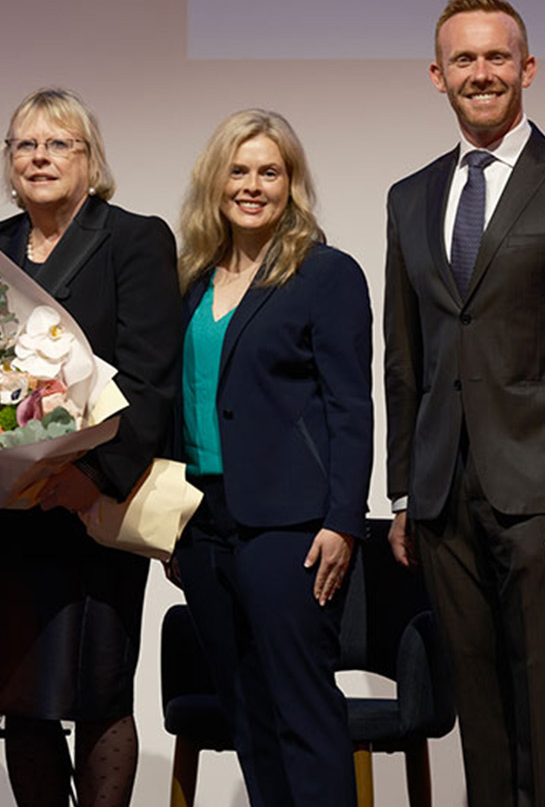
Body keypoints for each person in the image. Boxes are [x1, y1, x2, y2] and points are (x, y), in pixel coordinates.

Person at [384, 0, 545, 806]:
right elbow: (403, 356)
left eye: (498, 57)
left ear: (527, 69)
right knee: (479, 710)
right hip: (440, 493)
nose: (481, 73)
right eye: (464, 60)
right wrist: (403, 490)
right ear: (437, 76)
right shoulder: (410, 196)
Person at [0, 87, 182, 807]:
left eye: (58, 144)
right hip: (6, 513)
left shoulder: (136, 238)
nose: (40, 158)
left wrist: (94, 478)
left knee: (101, 692)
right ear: (9, 164)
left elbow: (150, 375)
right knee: (23, 700)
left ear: (90, 159)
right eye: (25, 145)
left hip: (88, 511)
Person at [172, 109, 372, 807]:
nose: (253, 186)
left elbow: (351, 407)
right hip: (202, 524)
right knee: (247, 715)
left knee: (303, 712)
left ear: (291, 183)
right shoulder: (191, 278)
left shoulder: (325, 274)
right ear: (214, 180)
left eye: (270, 171)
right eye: (239, 170)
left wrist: (343, 522)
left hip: (291, 528)